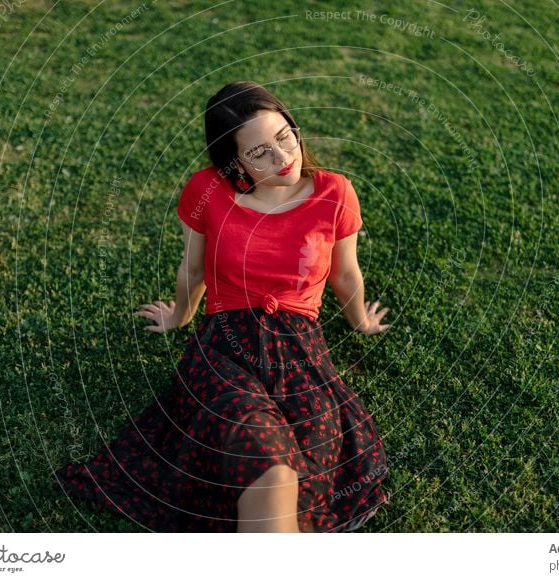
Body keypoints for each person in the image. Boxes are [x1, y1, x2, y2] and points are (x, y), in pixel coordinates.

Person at [54, 81, 393, 533]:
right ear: (233, 160)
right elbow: (192, 270)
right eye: (259, 153)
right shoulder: (207, 191)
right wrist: (179, 315)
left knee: (312, 458)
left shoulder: (334, 191)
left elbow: (345, 273)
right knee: (269, 464)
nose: (281, 157)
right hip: (224, 349)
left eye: (284, 136)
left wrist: (361, 320)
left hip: (299, 352)